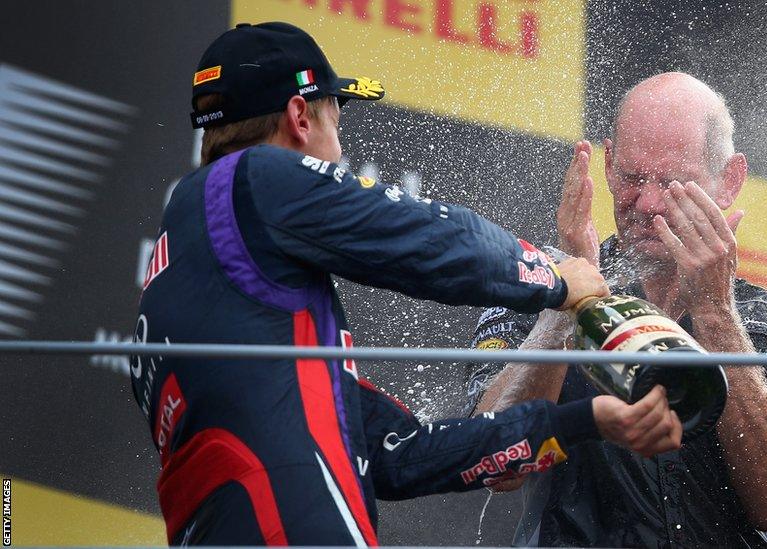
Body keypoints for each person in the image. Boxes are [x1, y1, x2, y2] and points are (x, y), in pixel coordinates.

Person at [130, 22, 687, 547]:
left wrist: (583, 421)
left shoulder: (193, 271)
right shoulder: (251, 178)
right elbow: (424, 241)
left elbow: (402, 457)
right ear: (300, 117)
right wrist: (553, 278)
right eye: (336, 123)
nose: (339, 152)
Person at [464, 72, 767, 548]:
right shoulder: (537, 285)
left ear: (730, 180)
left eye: (674, 183)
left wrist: (716, 313)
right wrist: (565, 308)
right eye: (633, 179)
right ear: (608, 166)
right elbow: (493, 462)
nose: (649, 203)